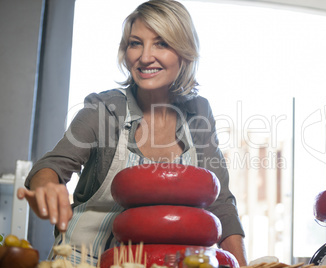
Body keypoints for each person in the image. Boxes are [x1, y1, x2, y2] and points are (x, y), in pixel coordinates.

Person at [17, 0, 247, 266]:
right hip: (82, 260)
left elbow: (221, 204)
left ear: (184, 52)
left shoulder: (199, 113)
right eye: (135, 43)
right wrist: (47, 187)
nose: (145, 56)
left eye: (161, 43)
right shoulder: (105, 109)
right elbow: (51, 167)